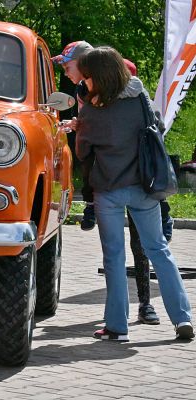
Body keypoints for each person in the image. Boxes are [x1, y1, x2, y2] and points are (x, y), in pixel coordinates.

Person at [75, 46, 193, 341]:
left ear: (96, 77)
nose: (85, 82)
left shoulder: (92, 110)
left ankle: (117, 327)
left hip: (109, 192)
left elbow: (83, 151)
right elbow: (159, 127)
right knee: (159, 251)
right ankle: (182, 319)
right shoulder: (141, 98)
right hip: (145, 188)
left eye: (87, 77)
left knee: (114, 257)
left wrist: (81, 125)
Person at [52, 41, 96, 231]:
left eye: (67, 67)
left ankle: (162, 211)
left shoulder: (108, 86)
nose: (65, 73)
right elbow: (88, 118)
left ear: (84, 62)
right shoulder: (81, 89)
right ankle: (92, 204)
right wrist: (77, 124)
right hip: (95, 151)